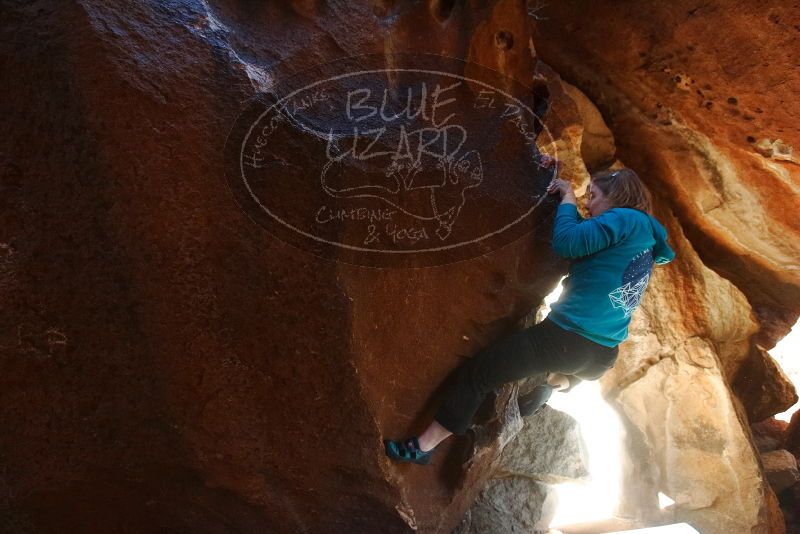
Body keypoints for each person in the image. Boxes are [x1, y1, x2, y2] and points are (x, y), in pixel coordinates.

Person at [383, 159, 676, 465]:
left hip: (566, 339)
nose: (589, 204)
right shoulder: (644, 239)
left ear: (617, 198)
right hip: (601, 355)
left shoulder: (624, 218)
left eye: (594, 196)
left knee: (478, 374)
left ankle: (422, 447)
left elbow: (566, 242)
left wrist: (567, 198)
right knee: (558, 366)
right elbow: (590, 246)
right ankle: (552, 382)